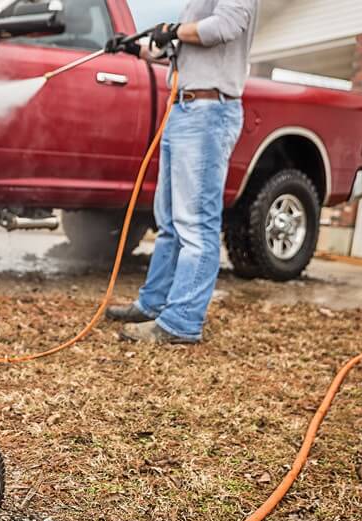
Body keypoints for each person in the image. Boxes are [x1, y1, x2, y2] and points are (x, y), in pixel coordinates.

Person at [103, 0, 259, 344]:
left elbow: (221, 28)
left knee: (196, 221)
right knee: (170, 221)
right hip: (185, 109)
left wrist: (173, 30)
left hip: (208, 111)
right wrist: (135, 47)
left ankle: (182, 322)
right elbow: (179, 50)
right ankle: (153, 303)